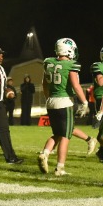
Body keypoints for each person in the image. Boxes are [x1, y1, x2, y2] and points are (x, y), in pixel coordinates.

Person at [37, 38, 91, 176]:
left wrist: (48, 97)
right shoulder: (70, 65)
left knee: (57, 133)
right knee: (65, 136)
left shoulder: (49, 62)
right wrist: (84, 102)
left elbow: (44, 84)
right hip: (64, 102)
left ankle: (45, 153)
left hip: (51, 102)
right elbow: (76, 85)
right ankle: (60, 168)